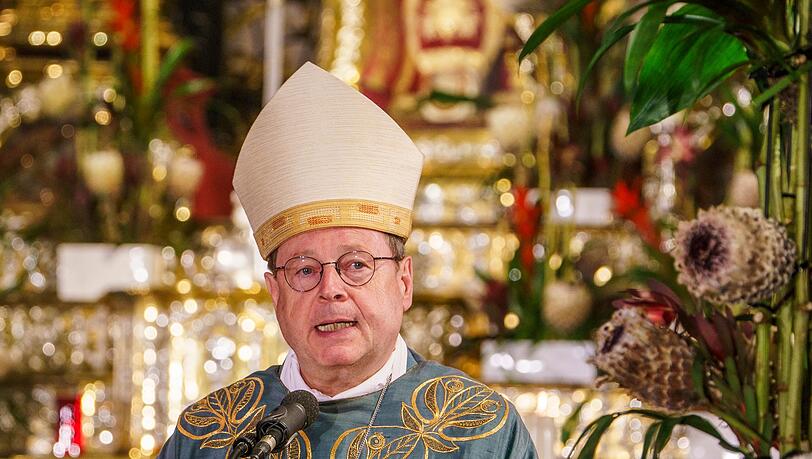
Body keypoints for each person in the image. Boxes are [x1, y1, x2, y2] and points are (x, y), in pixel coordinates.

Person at [158, 62, 538, 458]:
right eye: (305, 270)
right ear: (276, 293)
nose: (331, 290)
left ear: (404, 282)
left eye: (356, 265)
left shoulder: (480, 432)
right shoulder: (210, 436)